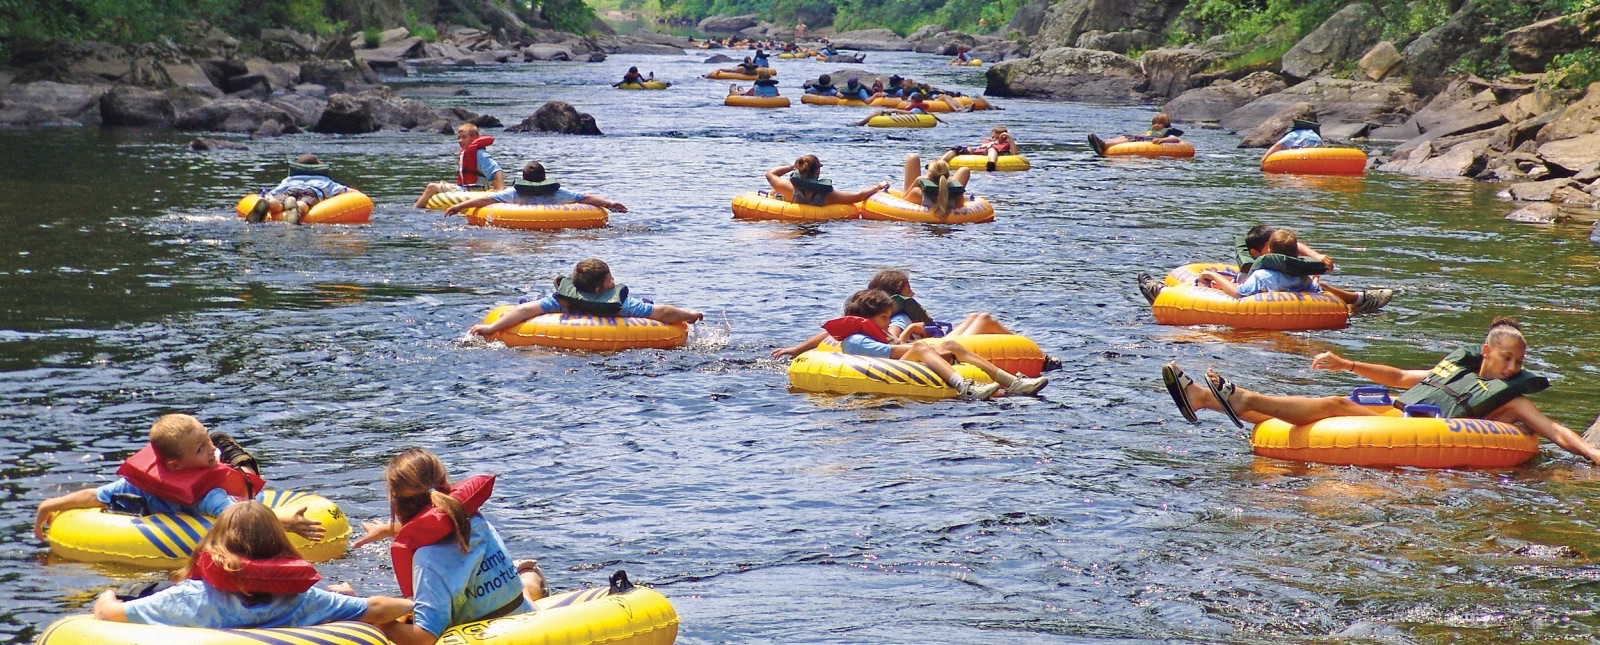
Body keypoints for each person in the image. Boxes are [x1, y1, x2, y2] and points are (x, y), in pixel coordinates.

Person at [1162, 317, 1600, 464]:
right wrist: (1345, 363)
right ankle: (1201, 397)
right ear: (1487, 352)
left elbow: (1555, 431)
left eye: (1519, 363)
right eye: (1508, 360)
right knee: (1337, 400)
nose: (1514, 368)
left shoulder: (1514, 399)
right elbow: (1396, 378)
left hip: (1422, 429)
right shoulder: (1452, 371)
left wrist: (1594, 455)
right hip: (1396, 413)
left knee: (1334, 404)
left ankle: (1242, 400)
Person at [90, 502, 412, 629]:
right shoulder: (302, 600)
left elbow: (108, 614)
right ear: (278, 548)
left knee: (136, 592)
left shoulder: (192, 598)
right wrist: (413, 605)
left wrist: (107, 594)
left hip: (179, 609)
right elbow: (377, 608)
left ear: (216, 546)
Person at [350, 449, 547, 645]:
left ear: (396, 503)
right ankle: (528, 572)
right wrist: (388, 529)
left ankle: (527, 572)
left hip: (492, 636)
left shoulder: (428, 559)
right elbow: (440, 518)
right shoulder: (475, 520)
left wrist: (377, 621)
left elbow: (425, 638)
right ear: (444, 482)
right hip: (520, 610)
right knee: (524, 588)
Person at [34, 414, 323, 542]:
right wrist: (52, 504)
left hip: (238, 489)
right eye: (201, 448)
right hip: (203, 508)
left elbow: (240, 511)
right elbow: (95, 496)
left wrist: (284, 521)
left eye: (208, 441)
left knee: (246, 481)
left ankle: (239, 457)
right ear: (173, 464)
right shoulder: (140, 482)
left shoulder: (209, 492)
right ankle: (236, 457)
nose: (210, 450)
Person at [821, 289, 1048, 400]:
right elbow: (895, 352)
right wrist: (930, 349)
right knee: (922, 347)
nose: (887, 323)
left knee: (951, 344)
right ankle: (964, 387)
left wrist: (940, 349)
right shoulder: (857, 340)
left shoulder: (873, 334)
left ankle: (1011, 382)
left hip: (898, 364)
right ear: (864, 318)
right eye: (883, 318)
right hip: (884, 370)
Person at [1136, 224, 1392, 313]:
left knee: (1206, 286)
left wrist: (1211, 275)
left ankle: (1162, 295)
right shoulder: (1300, 275)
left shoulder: (1263, 274)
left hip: (1255, 303)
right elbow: (1316, 287)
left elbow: (1238, 294)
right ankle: (1360, 300)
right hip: (1291, 297)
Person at [771, 269, 1022, 358]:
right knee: (984, 319)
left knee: (976, 316)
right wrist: (913, 329)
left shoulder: (873, 316)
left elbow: (830, 333)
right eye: (907, 289)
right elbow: (892, 340)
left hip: (929, 342)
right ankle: (1035, 354)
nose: (912, 294)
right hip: (932, 347)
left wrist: (797, 348)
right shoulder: (897, 318)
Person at [468, 258, 703, 339]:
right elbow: (664, 313)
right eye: (611, 281)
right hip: (615, 332)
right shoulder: (621, 306)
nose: (614, 283)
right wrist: (690, 315)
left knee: (530, 301)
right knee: (647, 302)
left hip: (564, 328)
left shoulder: (562, 301)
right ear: (601, 288)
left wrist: (491, 329)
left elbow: (525, 311)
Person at [442, 162, 627, 216]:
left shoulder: (514, 193)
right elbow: (586, 198)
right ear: (545, 178)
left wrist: (459, 206)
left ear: (523, 180)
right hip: (558, 226)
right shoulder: (557, 192)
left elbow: (485, 200)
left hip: (519, 227)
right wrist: (610, 204)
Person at [412, 125, 505, 209]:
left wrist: (499, 191)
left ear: (475, 137)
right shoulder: (467, 153)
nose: (460, 141)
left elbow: (496, 170)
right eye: (459, 138)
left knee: (431, 187)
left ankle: (415, 210)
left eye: (464, 137)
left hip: (475, 191)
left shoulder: (480, 154)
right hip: (465, 189)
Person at [245, 154, 351, 224]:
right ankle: (297, 209)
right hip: (312, 191)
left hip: (291, 189)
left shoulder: (289, 179)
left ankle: (269, 205)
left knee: (279, 202)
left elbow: (274, 192)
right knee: (304, 203)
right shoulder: (323, 179)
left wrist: (267, 196)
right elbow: (343, 191)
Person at [763, 155, 889, 207]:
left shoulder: (789, 187)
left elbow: (770, 174)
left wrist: (791, 166)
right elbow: (858, 196)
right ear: (817, 171)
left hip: (793, 222)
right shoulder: (827, 194)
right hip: (817, 226)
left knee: (775, 192)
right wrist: (879, 186)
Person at [901, 153, 970, 215]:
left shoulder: (917, 193)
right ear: (947, 176)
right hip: (949, 224)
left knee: (913, 158)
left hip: (924, 225)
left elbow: (903, 202)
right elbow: (960, 208)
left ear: (929, 176)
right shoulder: (958, 196)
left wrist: (917, 181)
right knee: (964, 170)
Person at [1087, 113, 1184, 156]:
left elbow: (1175, 139)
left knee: (1130, 139)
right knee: (1126, 136)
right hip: (1143, 138)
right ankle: (1103, 142)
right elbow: (1146, 135)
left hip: (1148, 141)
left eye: (1159, 123)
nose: (1156, 125)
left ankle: (1104, 145)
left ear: (1165, 125)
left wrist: (1162, 140)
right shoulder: (1152, 131)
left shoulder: (1168, 132)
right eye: (1154, 123)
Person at [942, 126, 1018, 171]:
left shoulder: (1006, 143)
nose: (994, 139)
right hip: (978, 153)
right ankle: (940, 162)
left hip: (991, 153)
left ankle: (991, 163)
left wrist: (1009, 138)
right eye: (993, 137)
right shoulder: (989, 141)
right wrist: (989, 143)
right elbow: (982, 146)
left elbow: (1015, 154)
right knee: (959, 148)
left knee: (991, 149)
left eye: (997, 138)